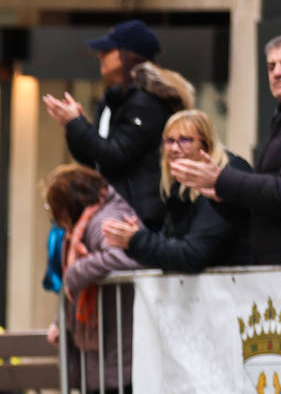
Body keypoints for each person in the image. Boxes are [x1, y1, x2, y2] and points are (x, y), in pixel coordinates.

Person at [43, 164, 139, 394]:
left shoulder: (104, 221)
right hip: (103, 342)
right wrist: (63, 321)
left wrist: (74, 274)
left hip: (118, 342)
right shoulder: (93, 219)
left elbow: (128, 257)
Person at [42, 20, 194, 230]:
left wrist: (76, 123)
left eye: (107, 50)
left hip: (140, 218)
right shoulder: (116, 100)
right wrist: (72, 126)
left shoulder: (146, 101)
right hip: (120, 212)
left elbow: (114, 155)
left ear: (129, 54)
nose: (100, 56)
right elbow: (94, 158)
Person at [172, 32, 281, 266]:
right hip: (278, 273)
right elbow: (267, 211)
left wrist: (223, 179)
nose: (277, 72)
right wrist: (224, 198)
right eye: (271, 66)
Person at [102, 110, 251, 272]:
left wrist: (137, 240)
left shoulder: (224, 179)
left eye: (184, 140)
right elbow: (173, 244)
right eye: (169, 141)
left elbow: (193, 255)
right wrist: (134, 237)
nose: (174, 148)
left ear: (206, 144)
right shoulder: (179, 190)